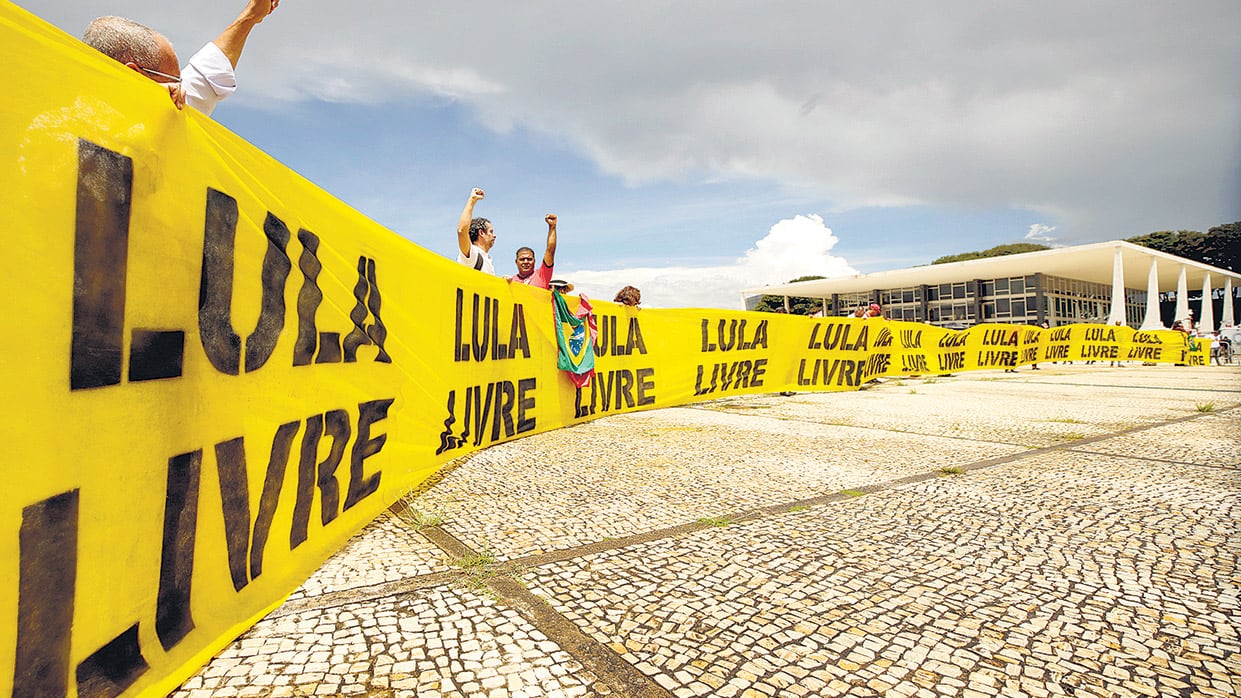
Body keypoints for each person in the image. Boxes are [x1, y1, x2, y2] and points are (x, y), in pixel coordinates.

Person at [84, 0, 280, 115]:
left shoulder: (168, 111)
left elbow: (207, 75)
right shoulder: (64, 126)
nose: (181, 90)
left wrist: (251, 15)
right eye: (175, 81)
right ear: (134, 77)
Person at [508, 215, 558, 289]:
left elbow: (550, 250)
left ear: (534, 261)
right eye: (522, 259)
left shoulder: (542, 275)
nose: (526, 262)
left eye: (529, 259)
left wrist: (552, 227)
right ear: (516, 261)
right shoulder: (510, 281)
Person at [456, 188, 495, 274]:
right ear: (481, 233)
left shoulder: (487, 259)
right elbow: (461, 231)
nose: (494, 235)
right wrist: (472, 200)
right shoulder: (472, 254)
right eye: (491, 232)